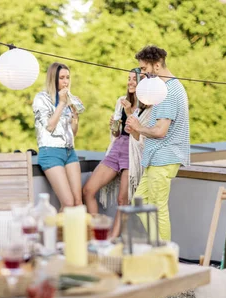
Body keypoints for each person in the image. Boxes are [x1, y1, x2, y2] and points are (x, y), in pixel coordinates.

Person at [125, 45, 190, 242]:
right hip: (157, 159)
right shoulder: (166, 88)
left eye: (144, 69)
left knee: (158, 207)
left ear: (157, 65)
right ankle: (156, 243)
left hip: (164, 158)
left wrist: (138, 127)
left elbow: (160, 131)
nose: (141, 74)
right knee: (139, 202)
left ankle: (164, 253)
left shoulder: (167, 92)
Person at [82, 68, 151, 237]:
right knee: (88, 190)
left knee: (123, 199)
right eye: (128, 79)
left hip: (133, 152)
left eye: (134, 79)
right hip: (117, 148)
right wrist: (113, 126)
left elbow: (140, 135)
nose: (130, 82)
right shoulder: (121, 101)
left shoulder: (149, 107)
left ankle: (112, 238)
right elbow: (116, 133)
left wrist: (128, 113)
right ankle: (98, 234)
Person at [33, 62, 82, 209]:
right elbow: (49, 126)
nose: (65, 81)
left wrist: (75, 116)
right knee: (67, 203)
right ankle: (56, 233)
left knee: (78, 202)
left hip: (69, 152)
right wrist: (61, 104)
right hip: (50, 152)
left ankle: (74, 233)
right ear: (53, 78)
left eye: (67, 77)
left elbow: (73, 133)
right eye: (61, 78)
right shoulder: (41, 98)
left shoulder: (69, 98)